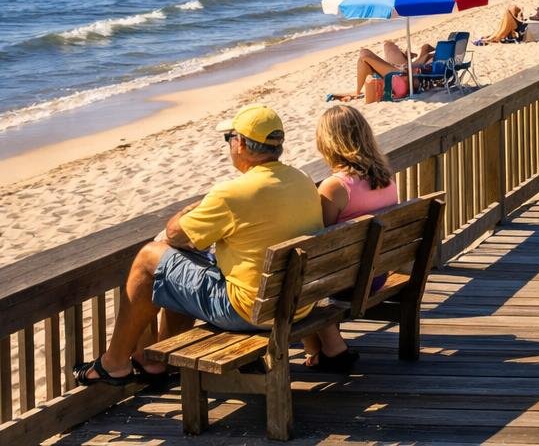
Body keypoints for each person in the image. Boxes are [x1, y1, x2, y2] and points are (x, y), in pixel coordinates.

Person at [72, 106, 322, 387]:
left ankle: (114, 363)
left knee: (148, 258)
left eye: (230, 138)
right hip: (298, 303)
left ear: (240, 144)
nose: (230, 145)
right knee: (181, 265)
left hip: (248, 311)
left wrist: (188, 209)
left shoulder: (233, 193)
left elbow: (174, 234)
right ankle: (157, 359)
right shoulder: (302, 181)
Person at [302, 105, 398, 372]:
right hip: (377, 274)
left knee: (293, 278)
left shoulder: (336, 187)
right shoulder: (386, 176)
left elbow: (319, 243)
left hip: (348, 282)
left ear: (328, 142)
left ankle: (322, 350)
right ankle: (323, 349)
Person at [333, 40, 435, 100]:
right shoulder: (441, 60)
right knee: (387, 44)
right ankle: (411, 54)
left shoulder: (434, 59)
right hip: (404, 74)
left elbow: (417, 71)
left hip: (402, 78)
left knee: (364, 54)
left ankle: (357, 91)